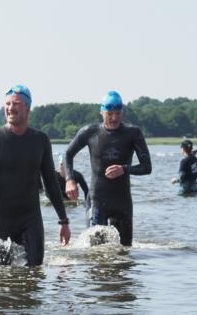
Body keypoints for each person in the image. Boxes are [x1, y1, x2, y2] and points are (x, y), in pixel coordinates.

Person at [0, 84, 70, 266]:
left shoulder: (40, 140)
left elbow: (50, 183)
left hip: (30, 219)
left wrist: (63, 221)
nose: (11, 108)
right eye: (8, 104)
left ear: (27, 108)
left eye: (16, 104)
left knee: (35, 274)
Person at [63, 90, 152, 247]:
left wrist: (124, 169)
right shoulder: (90, 132)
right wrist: (69, 179)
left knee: (125, 252)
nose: (114, 118)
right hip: (97, 200)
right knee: (96, 252)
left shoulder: (133, 133)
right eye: (110, 113)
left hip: (122, 202)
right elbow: (68, 154)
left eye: (118, 113)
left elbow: (147, 167)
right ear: (102, 112)